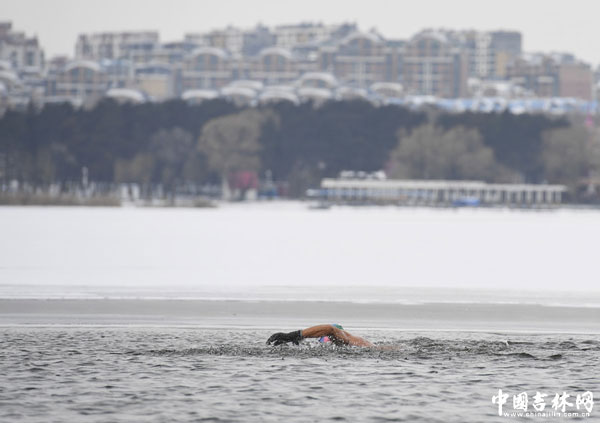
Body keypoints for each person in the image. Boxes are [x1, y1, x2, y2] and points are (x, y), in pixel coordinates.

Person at [266, 324, 374, 348]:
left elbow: (329, 329)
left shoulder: (349, 338)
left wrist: (294, 335)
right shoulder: (352, 342)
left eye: (327, 337)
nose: (327, 341)